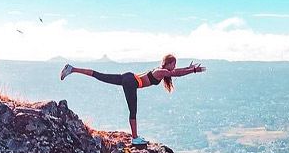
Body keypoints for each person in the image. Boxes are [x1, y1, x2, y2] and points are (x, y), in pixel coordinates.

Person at [59, 54, 205, 145]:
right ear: (168, 64)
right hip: (131, 82)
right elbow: (177, 74)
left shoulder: (162, 71)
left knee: (100, 75)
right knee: (133, 110)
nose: (174, 66)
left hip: (129, 78)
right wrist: (192, 70)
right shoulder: (161, 71)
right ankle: (135, 138)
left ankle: (72, 69)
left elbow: (176, 72)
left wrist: (188, 67)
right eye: (173, 64)